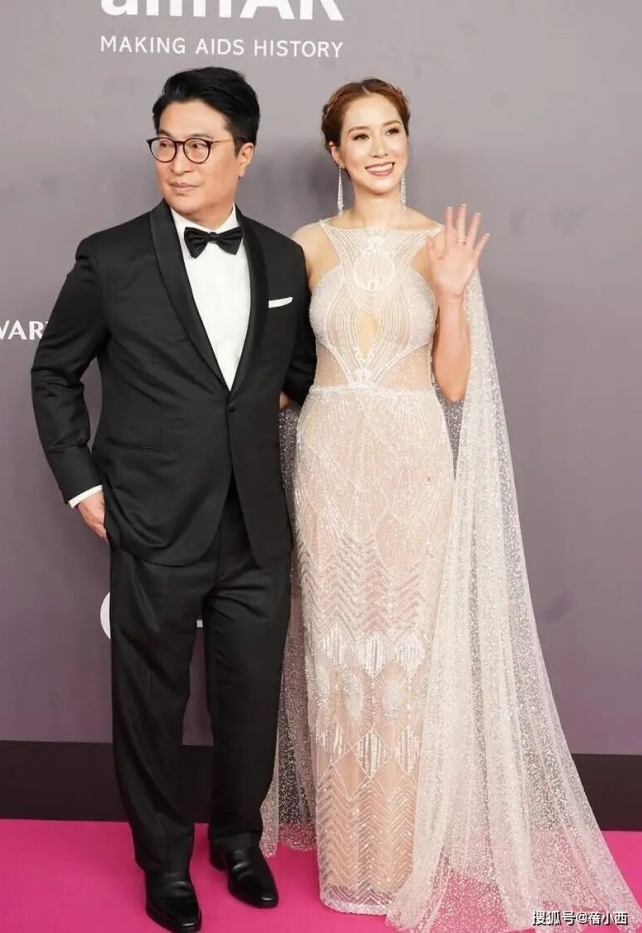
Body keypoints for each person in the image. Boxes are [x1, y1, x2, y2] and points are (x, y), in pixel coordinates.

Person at [268, 78, 642, 933]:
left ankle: (403, 858)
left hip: (412, 462)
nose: (379, 149)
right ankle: (350, 856)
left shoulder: (443, 243)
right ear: (335, 152)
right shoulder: (307, 246)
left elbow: (454, 382)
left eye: (390, 131)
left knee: (407, 655)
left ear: (408, 139)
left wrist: (449, 290)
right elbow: (284, 371)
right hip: (330, 462)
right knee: (336, 651)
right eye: (360, 135)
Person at [31, 67, 316, 933]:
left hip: (256, 523)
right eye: (166, 143)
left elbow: (296, 372)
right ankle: (162, 859)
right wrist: (83, 483)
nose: (179, 162)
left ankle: (238, 840)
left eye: (200, 145)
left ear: (244, 154)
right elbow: (53, 372)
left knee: (251, 697)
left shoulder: (283, 258)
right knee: (149, 702)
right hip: (152, 520)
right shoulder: (110, 257)